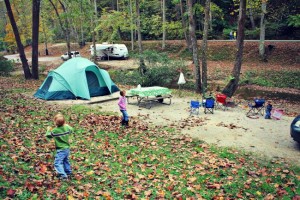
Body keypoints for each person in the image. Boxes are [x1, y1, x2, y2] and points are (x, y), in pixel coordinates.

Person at [46, 113, 74, 180]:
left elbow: (48, 135)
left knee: (57, 163)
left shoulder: (55, 131)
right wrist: (66, 125)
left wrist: (48, 129)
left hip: (61, 149)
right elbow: (72, 129)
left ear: (55, 123)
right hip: (67, 148)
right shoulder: (67, 127)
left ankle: (63, 175)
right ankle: (68, 172)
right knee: (65, 160)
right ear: (64, 122)